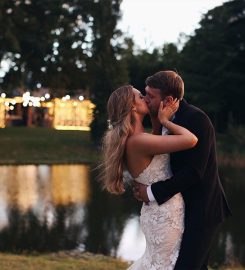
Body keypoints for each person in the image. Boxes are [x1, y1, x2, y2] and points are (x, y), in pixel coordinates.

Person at [133, 70, 232, 270]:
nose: (145, 99)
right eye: (145, 94)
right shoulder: (159, 119)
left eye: (150, 96)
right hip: (178, 210)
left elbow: (194, 172)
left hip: (202, 210)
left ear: (168, 100)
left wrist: (151, 192)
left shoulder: (197, 120)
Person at [101, 84, 198, 269]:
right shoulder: (139, 141)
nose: (146, 98)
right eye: (140, 96)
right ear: (132, 107)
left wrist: (157, 121)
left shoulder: (138, 139)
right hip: (165, 215)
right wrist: (166, 121)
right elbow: (191, 139)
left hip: (158, 210)